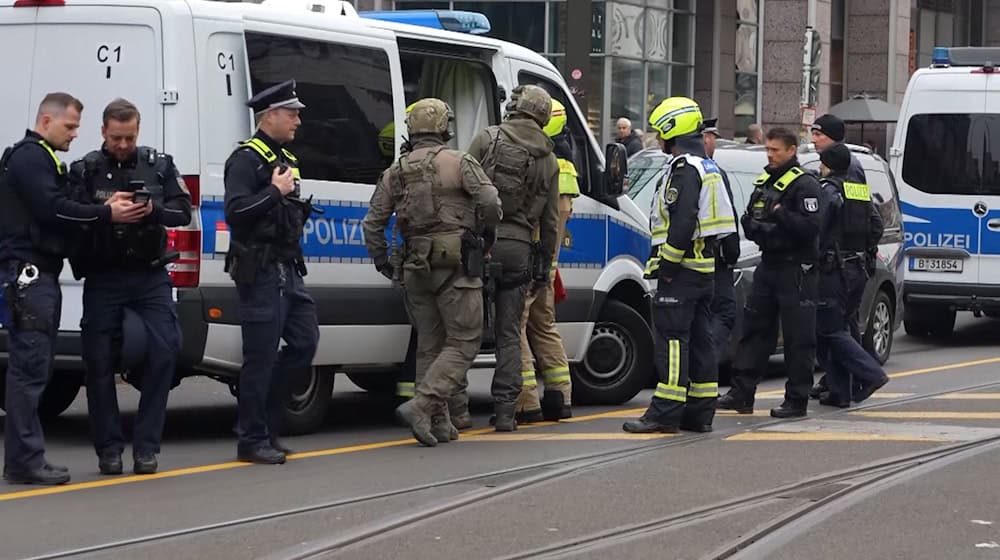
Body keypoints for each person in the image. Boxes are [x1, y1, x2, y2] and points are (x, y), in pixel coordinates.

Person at [0, 92, 143, 485]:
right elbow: (52, 209)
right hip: (28, 277)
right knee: (29, 371)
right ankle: (25, 461)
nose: (76, 135)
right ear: (46, 121)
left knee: (35, 368)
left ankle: (25, 458)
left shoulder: (43, 157)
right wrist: (105, 212)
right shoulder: (30, 157)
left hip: (39, 275)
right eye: (70, 126)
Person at [363, 98, 500, 445]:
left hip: (414, 267)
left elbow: (372, 224)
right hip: (456, 265)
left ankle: (437, 423)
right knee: (465, 341)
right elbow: (490, 202)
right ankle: (422, 406)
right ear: (444, 127)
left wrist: (383, 261)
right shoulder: (460, 162)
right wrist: (485, 236)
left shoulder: (396, 171)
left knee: (429, 345)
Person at [69, 98, 192, 475]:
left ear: (138, 131)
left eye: (129, 137)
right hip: (104, 275)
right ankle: (108, 449)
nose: (123, 144)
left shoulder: (158, 164)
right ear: (103, 132)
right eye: (116, 137)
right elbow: (68, 215)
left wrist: (152, 209)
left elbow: (183, 212)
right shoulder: (85, 169)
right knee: (98, 361)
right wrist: (106, 211)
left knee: (165, 352)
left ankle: (146, 448)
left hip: (149, 273)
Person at [622, 98, 736, 434]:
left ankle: (664, 413)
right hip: (704, 272)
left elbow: (683, 220)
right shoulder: (708, 167)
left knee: (672, 341)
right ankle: (700, 413)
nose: (657, 139)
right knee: (701, 342)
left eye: (660, 133)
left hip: (682, 273)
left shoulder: (685, 170)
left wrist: (668, 265)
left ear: (673, 130)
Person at [223, 79, 319, 464]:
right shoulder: (246, 160)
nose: (297, 120)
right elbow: (236, 212)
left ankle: (268, 425)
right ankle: (252, 437)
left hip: (288, 269)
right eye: (292, 113)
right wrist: (274, 193)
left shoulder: (285, 159)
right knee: (260, 357)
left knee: (304, 343)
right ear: (271, 116)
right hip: (260, 271)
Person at [467, 84, 560, 432]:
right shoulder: (548, 159)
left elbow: (464, 191)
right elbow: (550, 223)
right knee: (508, 333)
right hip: (520, 248)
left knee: (466, 331)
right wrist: (545, 267)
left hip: (482, 245)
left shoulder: (486, 139)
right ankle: (506, 412)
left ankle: (457, 411)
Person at [718, 127, 823, 418]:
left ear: (791, 150)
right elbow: (750, 221)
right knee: (754, 331)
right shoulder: (766, 181)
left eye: (775, 150)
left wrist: (779, 215)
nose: (770, 155)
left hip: (797, 269)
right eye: (768, 149)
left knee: (798, 337)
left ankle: (796, 399)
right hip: (769, 264)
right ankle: (742, 394)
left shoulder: (805, 185)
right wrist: (768, 227)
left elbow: (809, 228)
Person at [514, 99, 580, 423]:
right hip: (548, 266)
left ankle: (526, 402)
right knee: (544, 324)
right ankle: (560, 396)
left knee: (517, 324)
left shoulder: (543, 162)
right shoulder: (565, 165)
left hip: (532, 259)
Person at [808, 113, 879, 399]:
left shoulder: (843, 175)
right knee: (840, 325)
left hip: (837, 265)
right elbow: (872, 222)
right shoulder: (852, 177)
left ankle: (864, 376)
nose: (814, 140)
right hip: (854, 264)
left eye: (819, 135)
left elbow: (823, 225)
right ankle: (839, 385)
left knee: (833, 328)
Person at [702, 118, 741, 377]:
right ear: (705, 138)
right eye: (712, 136)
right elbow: (727, 219)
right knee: (724, 312)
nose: (714, 141)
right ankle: (704, 373)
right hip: (714, 261)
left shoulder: (674, 169)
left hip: (688, 261)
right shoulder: (713, 172)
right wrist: (731, 252)